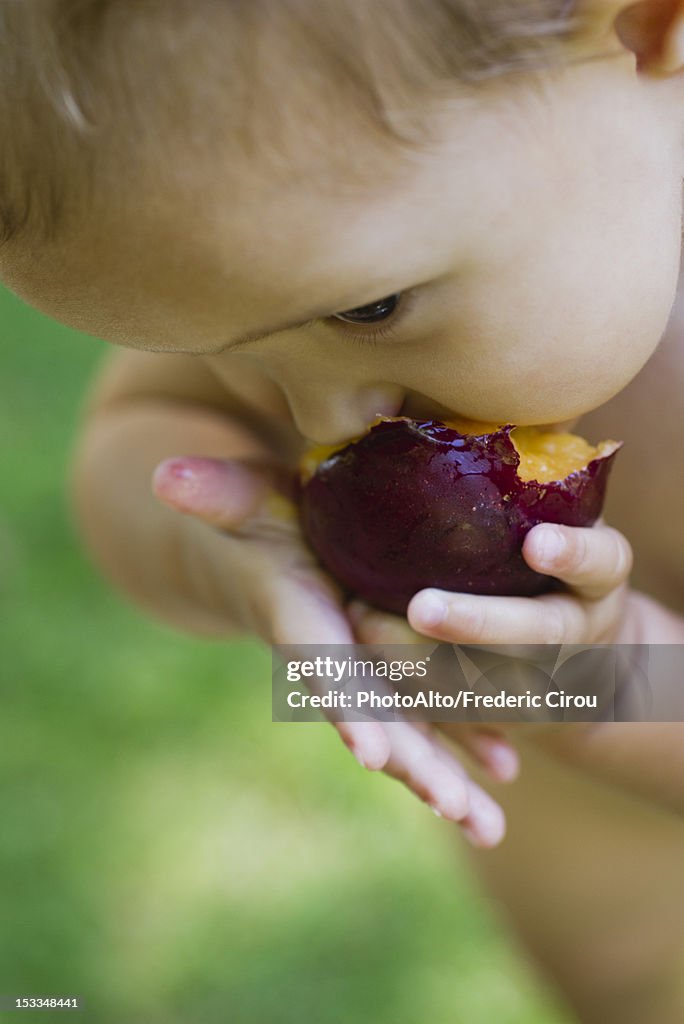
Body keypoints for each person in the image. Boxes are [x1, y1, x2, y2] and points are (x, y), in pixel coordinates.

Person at [3, 0, 684, 1018]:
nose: (318, 421)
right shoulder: (299, 254)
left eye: (370, 309)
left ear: (639, 31)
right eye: (215, 349)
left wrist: (605, 677)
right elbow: (126, 450)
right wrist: (229, 562)